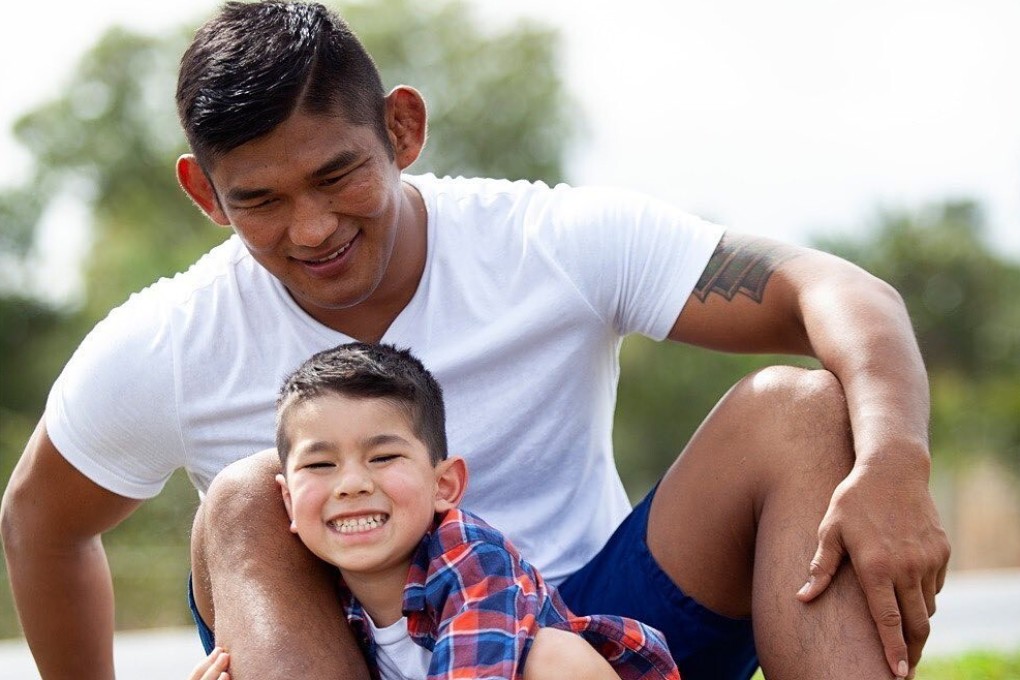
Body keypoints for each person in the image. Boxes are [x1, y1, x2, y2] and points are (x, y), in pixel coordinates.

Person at [0, 1, 949, 679]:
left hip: (597, 637)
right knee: (251, 494)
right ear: (206, 195)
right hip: (354, 648)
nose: (312, 227)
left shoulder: (548, 242)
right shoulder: (170, 341)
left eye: (338, 176)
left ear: (401, 129)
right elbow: (40, 524)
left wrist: (898, 461)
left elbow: (836, 289)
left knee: (798, 408)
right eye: (260, 200)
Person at [266, 341, 681, 678]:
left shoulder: (472, 560)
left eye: (383, 457)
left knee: (557, 658)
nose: (352, 484)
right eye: (321, 464)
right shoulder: (313, 591)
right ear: (289, 501)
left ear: (443, 485)